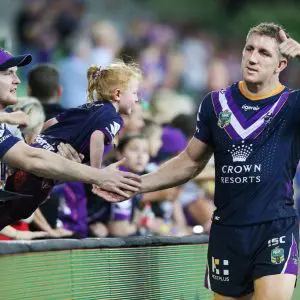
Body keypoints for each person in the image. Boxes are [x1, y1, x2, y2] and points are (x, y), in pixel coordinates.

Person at [99, 23, 300, 300]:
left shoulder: (293, 104)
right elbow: (189, 161)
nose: (253, 58)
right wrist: (136, 184)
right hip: (226, 232)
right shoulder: (214, 104)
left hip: (274, 227)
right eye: (249, 49)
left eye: (264, 53)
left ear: (281, 64)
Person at [0, 48, 141, 230]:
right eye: (8, 73)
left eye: (16, 74)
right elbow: (32, 160)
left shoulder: (10, 123)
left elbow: (28, 174)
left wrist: (61, 168)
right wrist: (97, 175)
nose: (17, 80)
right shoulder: (111, 117)